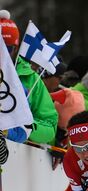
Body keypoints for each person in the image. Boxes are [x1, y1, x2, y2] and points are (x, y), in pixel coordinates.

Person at [1, 10, 58, 144]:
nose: (2, 53)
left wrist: (21, 125)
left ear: (15, 48)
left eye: (7, 48)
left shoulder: (31, 79)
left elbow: (50, 128)